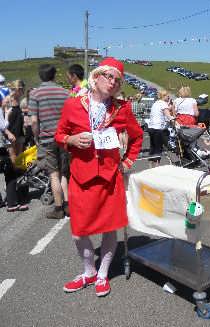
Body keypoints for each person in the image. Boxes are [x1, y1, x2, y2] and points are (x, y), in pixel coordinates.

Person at [55, 57, 143, 297]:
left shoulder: (121, 109)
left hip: (109, 178)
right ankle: (88, 271)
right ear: (96, 77)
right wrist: (71, 140)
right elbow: (59, 135)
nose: (113, 82)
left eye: (118, 80)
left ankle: (102, 275)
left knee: (109, 229)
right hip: (81, 178)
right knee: (78, 231)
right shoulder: (73, 105)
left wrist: (127, 162)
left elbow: (136, 137)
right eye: (109, 76)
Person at [28, 64, 70, 219]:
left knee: (54, 174)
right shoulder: (65, 92)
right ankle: (68, 205)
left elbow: (33, 121)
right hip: (64, 137)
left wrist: (36, 137)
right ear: (54, 75)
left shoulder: (35, 94)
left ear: (40, 76)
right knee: (64, 173)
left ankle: (58, 209)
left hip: (47, 138)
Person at [2, 80, 29, 211]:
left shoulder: (19, 101)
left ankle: (18, 197)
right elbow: (2, 121)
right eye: (22, 89)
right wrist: (7, 133)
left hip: (19, 135)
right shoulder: (6, 101)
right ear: (17, 89)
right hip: (10, 136)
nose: (23, 91)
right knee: (13, 165)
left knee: (19, 164)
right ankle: (12, 198)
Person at [147, 89, 174, 167]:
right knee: (158, 148)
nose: (168, 97)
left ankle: (150, 166)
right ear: (164, 96)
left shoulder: (156, 103)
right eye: (167, 96)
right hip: (158, 128)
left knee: (152, 147)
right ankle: (157, 167)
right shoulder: (163, 104)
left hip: (151, 127)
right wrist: (175, 121)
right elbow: (168, 116)